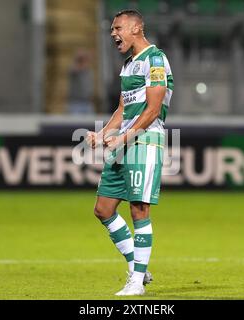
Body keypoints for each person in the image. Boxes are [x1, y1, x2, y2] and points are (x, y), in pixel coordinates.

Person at [86, 9, 173, 296]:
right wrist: (103, 134)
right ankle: (139, 266)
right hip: (125, 142)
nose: (113, 34)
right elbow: (124, 109)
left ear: (136, 28)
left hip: (145, 140)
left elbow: (154, 108)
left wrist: (124, 137)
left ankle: (136, 282)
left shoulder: (155, 59)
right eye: (112, 30)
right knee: (103, 209)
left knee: (139, 209)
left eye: (118, 28)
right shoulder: (128, 65)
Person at [67, 49, 95, 115]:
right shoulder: (73, 69)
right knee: (75, 124)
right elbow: (75, 69)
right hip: (75, 103)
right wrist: (80, 57)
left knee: (92, 123)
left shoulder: (88, 71)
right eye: (83, 59)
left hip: (87, 102)